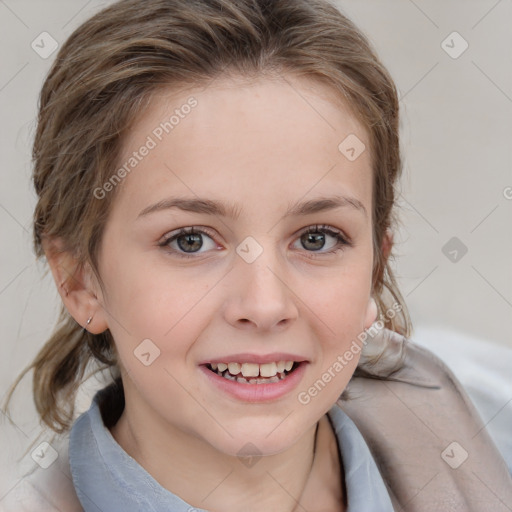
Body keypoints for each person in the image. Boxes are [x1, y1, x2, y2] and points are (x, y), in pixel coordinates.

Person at [2, 0, 511, 510]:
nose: (265, 305)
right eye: (190, 240)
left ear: (375, 267)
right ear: (78, 281)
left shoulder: (491, 429)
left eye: (317, 238)